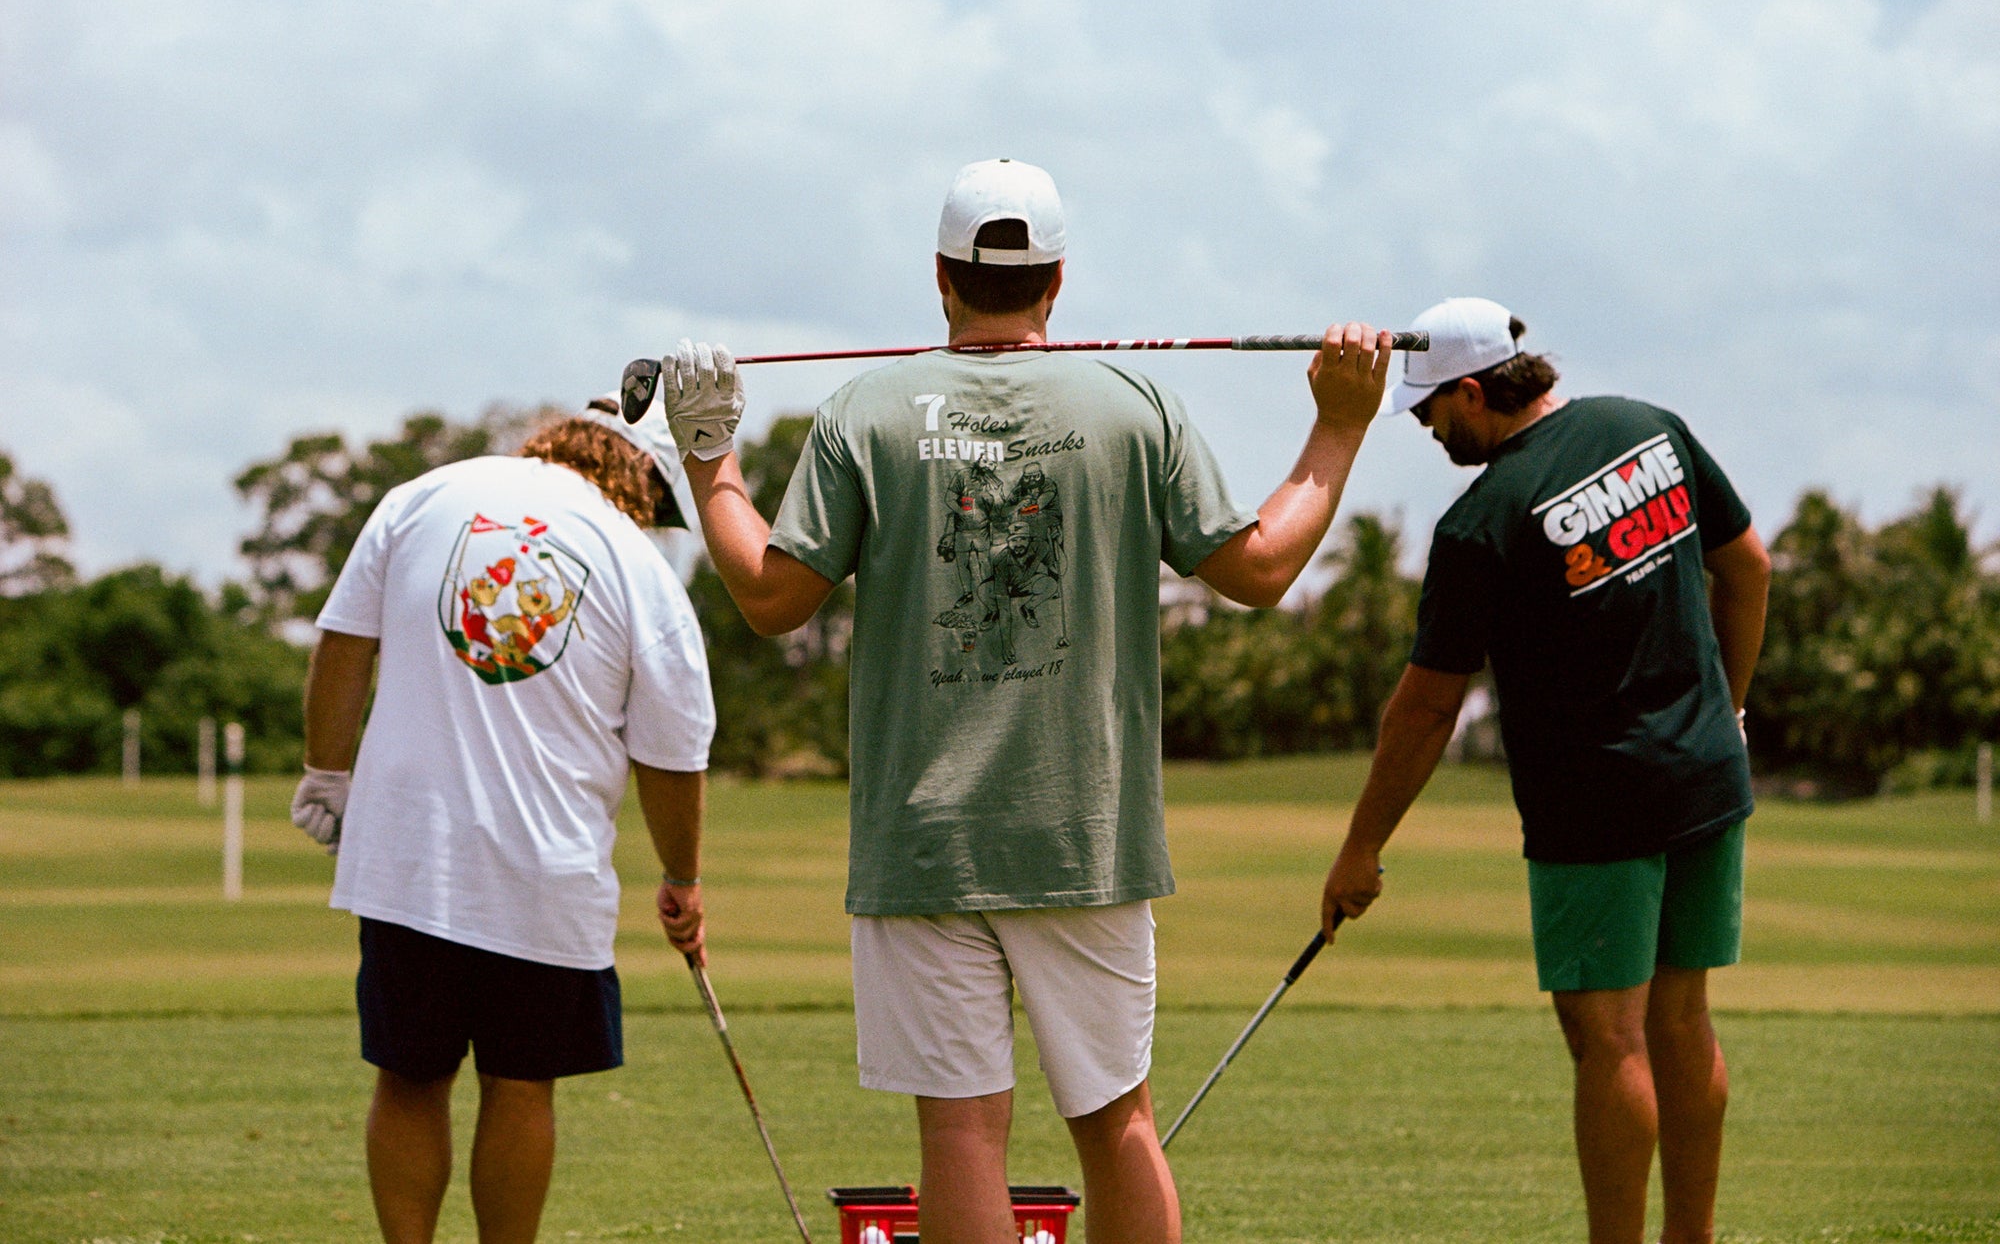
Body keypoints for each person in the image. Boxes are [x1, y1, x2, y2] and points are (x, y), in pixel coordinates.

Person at [645, 157, 1392, 1244]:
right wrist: (1340, 423)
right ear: (1055, 280)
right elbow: (1259, 571)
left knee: (958, 1137)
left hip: (923, 837)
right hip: (1083, 832)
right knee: (1115, 1123)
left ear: (941, 276)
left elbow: (770, 598)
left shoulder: (866, 409)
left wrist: (709, 457)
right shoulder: (1133, 404)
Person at [1318, 298, 1772, 1244]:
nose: (1433, 431)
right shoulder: (1650, 426)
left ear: (1475, 392)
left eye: (1433, 412)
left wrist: (1361, 848)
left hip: (1595, 805)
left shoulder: (1482, 520)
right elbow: (1752, 568)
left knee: (1610, 1037)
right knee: (1681, 1022)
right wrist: (1725, 712)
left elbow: (1428, 706)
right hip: (1706, 778)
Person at [289, 396, 717, 1244]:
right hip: (544, 866)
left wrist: (326, 775)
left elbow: (342, 643)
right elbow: (672, 754)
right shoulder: (638, 562)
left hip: (407, 852)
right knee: (521, 1083)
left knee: (409, 1076)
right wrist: (682, 879)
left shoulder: (425, 493)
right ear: (642, 478)